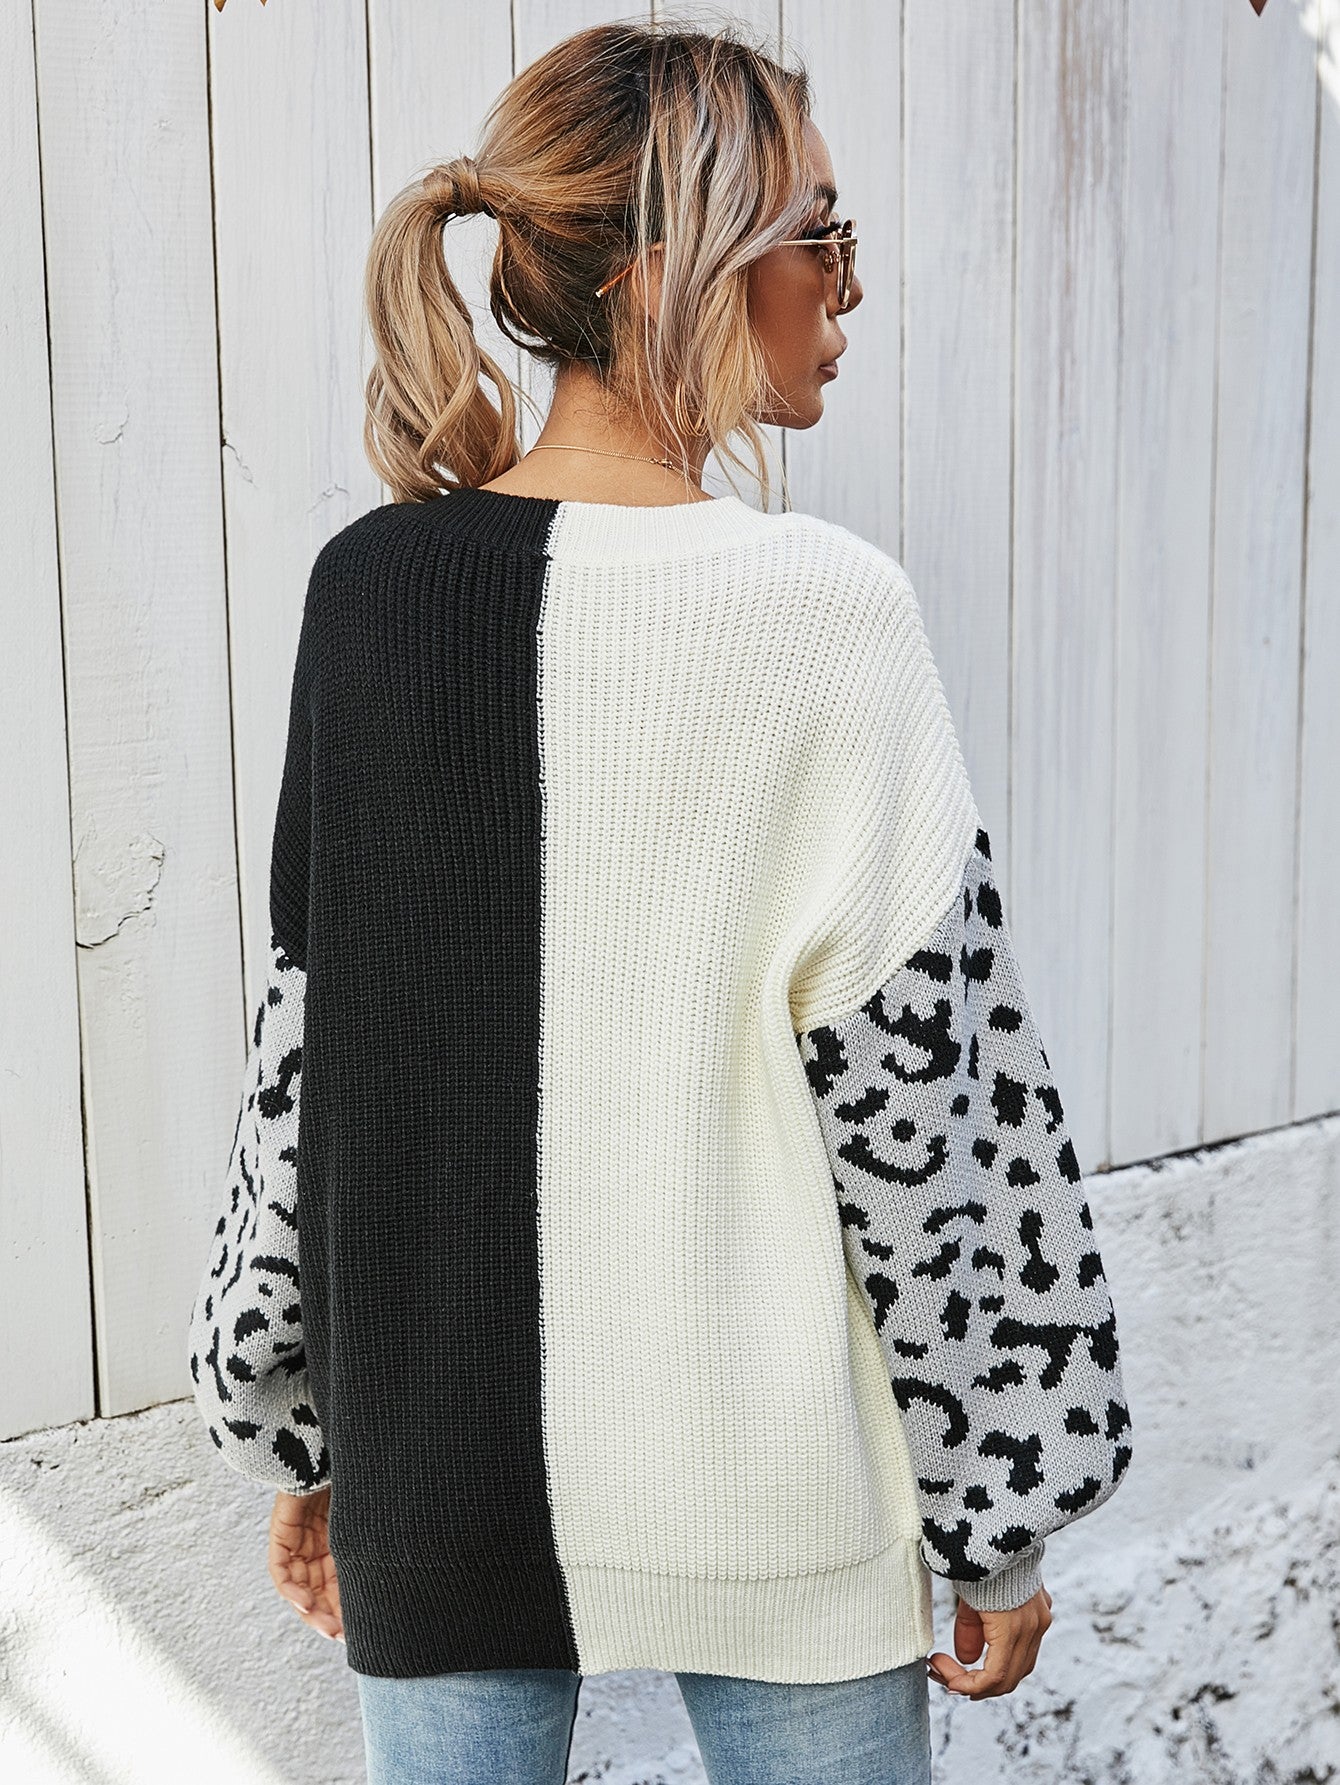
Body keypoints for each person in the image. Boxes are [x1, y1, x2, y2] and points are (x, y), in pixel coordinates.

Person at [187, 18, 1132, 1784]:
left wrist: (302, 1431)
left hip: (440, 1478)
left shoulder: (366, 595)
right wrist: (999, 1517)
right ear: (673, 266)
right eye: (821, 234)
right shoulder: (829, 614)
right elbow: (934, 1116)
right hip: (777, 1496)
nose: (851, 285)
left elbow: (311, 1065)